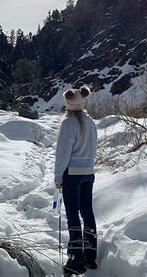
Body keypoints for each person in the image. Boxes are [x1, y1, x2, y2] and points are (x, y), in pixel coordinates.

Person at [54, 86, 98, 275]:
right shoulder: (90, 122)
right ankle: (90, 256)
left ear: (68, 103)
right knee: (87, 213)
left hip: (72, 174)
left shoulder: (68, 123)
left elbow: (63, 152)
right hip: (88, 172)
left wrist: (58, 175)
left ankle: (76, 259)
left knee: (73, 215)